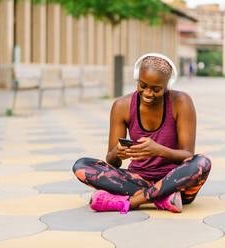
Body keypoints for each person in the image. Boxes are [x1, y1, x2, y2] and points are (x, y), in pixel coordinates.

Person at [73, 53, 211, 214]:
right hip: (137, 180)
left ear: (168, 85)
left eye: (156, 89)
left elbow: (188, 155)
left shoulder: (181, 102)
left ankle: (131, 202)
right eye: (142, 85)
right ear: (136, 78)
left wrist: (159, 150)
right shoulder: (121, 106)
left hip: (176, 181)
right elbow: (112, 162)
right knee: (82, 166)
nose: (147, 93)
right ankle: (163, 198)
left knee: (202, 162)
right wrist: (117, 153)